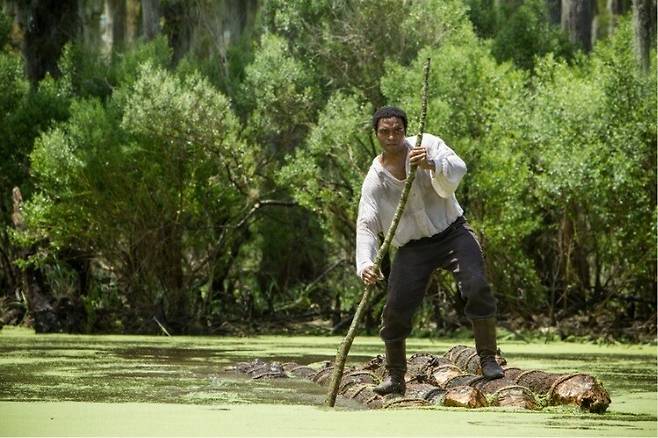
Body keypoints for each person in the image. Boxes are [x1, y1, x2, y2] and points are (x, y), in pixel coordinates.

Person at [356, 106, 504, 396]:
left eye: (397, 130)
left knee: (476, 286)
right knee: (395, 309)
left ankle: (488, 358)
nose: (391, 136)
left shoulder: (427, 145)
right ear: (376, 135)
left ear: (405, 130)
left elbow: (458, 169)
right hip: (412, 249)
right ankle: (395, 375)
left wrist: (433, 164)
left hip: (453, 234)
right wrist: (365, 263)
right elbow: (366, 225)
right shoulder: (375, 180)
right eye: (384, 131)